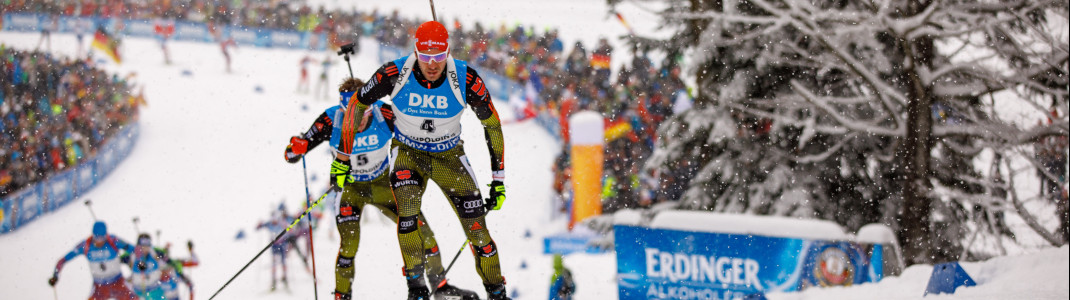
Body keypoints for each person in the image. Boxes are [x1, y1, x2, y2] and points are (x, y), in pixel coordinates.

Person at [343, 20, 510, 300]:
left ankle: (497, 293)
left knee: (479, 234)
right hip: (409, 153)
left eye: (439, 56)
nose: (432, 64)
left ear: (448, 52)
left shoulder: (466, 79)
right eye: (425, 56)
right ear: (415, 51)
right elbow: (357, 103)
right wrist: (342, 159)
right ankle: (416, 288)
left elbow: (492, 125)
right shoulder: (394, 73)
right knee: (407, 211)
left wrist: (499, 180)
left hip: (449, 157)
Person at [284, 77, 479, 300]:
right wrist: (296, 148)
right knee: (348, 246)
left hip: (382, 185)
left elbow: (420, 133)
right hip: (350, 190)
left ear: (369, 108)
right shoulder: (331, 119)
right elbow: (292, 154)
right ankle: (342, 295)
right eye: (349, 116)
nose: (355, 123)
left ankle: (440, 286)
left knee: (423, 232)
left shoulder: (383, 114)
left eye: (360, 115)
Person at [49, 221, 138, 300]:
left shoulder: (113, 241)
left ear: (106, 236)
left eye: (102, 238)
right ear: (93, 235)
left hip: (118, 282)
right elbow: (63, 260)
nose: (99, 242)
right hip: (99, 286)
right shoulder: (85, 245)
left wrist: (136, 262)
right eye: (96, 238)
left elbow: (136, 250)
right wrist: (55, 275)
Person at [257, 205, 295, 291]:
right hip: (274, 245)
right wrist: (259, 224)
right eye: (273, 219)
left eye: (275, 220)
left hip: (282, 244)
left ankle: (285, 279)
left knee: (283, 262)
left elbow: (291, 230)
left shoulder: (282, 223)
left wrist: (289, 232)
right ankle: (273, 282)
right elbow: (258, 227)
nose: (274, 222)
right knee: (274, 263)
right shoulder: (269, 223)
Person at [126, 233, 170, 300]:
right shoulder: (134, 255)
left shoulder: (153, 253)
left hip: (155, 289)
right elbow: (131, 267)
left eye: (147, 246)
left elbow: (163, 264)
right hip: (139, 291)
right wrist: (139, 262)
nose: (145, 248)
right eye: (142, 246)